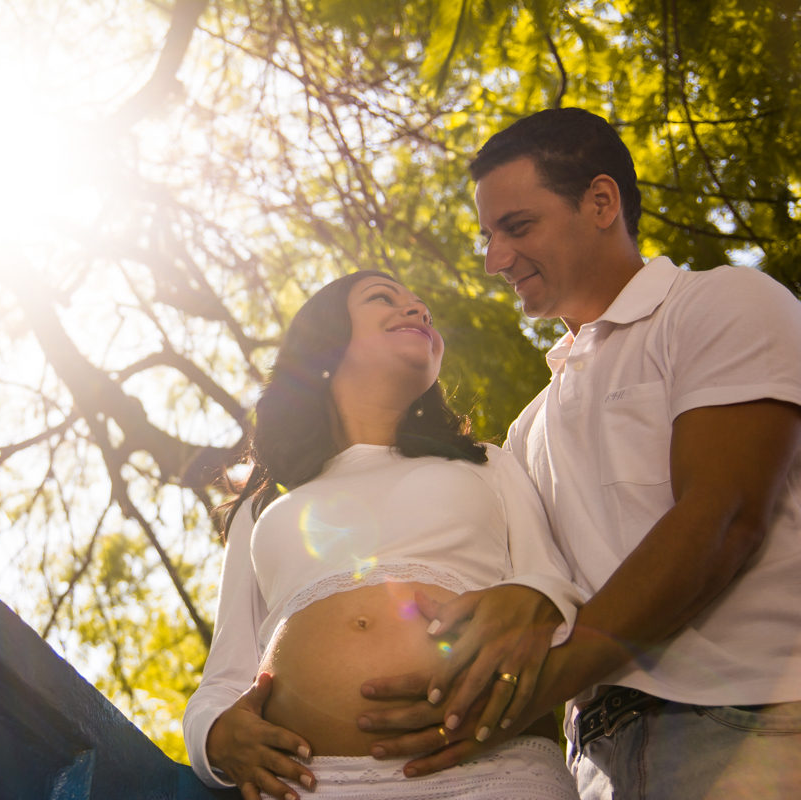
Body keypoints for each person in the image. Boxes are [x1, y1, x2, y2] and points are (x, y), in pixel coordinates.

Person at [354, 108, 801, 800]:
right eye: (487, 236)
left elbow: (723, 517)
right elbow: (534, 595)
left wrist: (525, 687)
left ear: (600, 202)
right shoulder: (526, 434)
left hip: (755, 729)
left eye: (518, 227)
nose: (495, 259)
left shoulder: (718, 304)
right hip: (596, 771)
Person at [183, 270, 585, 800]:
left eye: (424, 309)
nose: (418, 311)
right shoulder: (264, 508)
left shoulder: (486, 464)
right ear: (324, 346)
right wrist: (213, 739)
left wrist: (534, 595)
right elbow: (222, 680)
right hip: (308, 785)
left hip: (492, 772)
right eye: (384, 298)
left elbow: (556, 588)